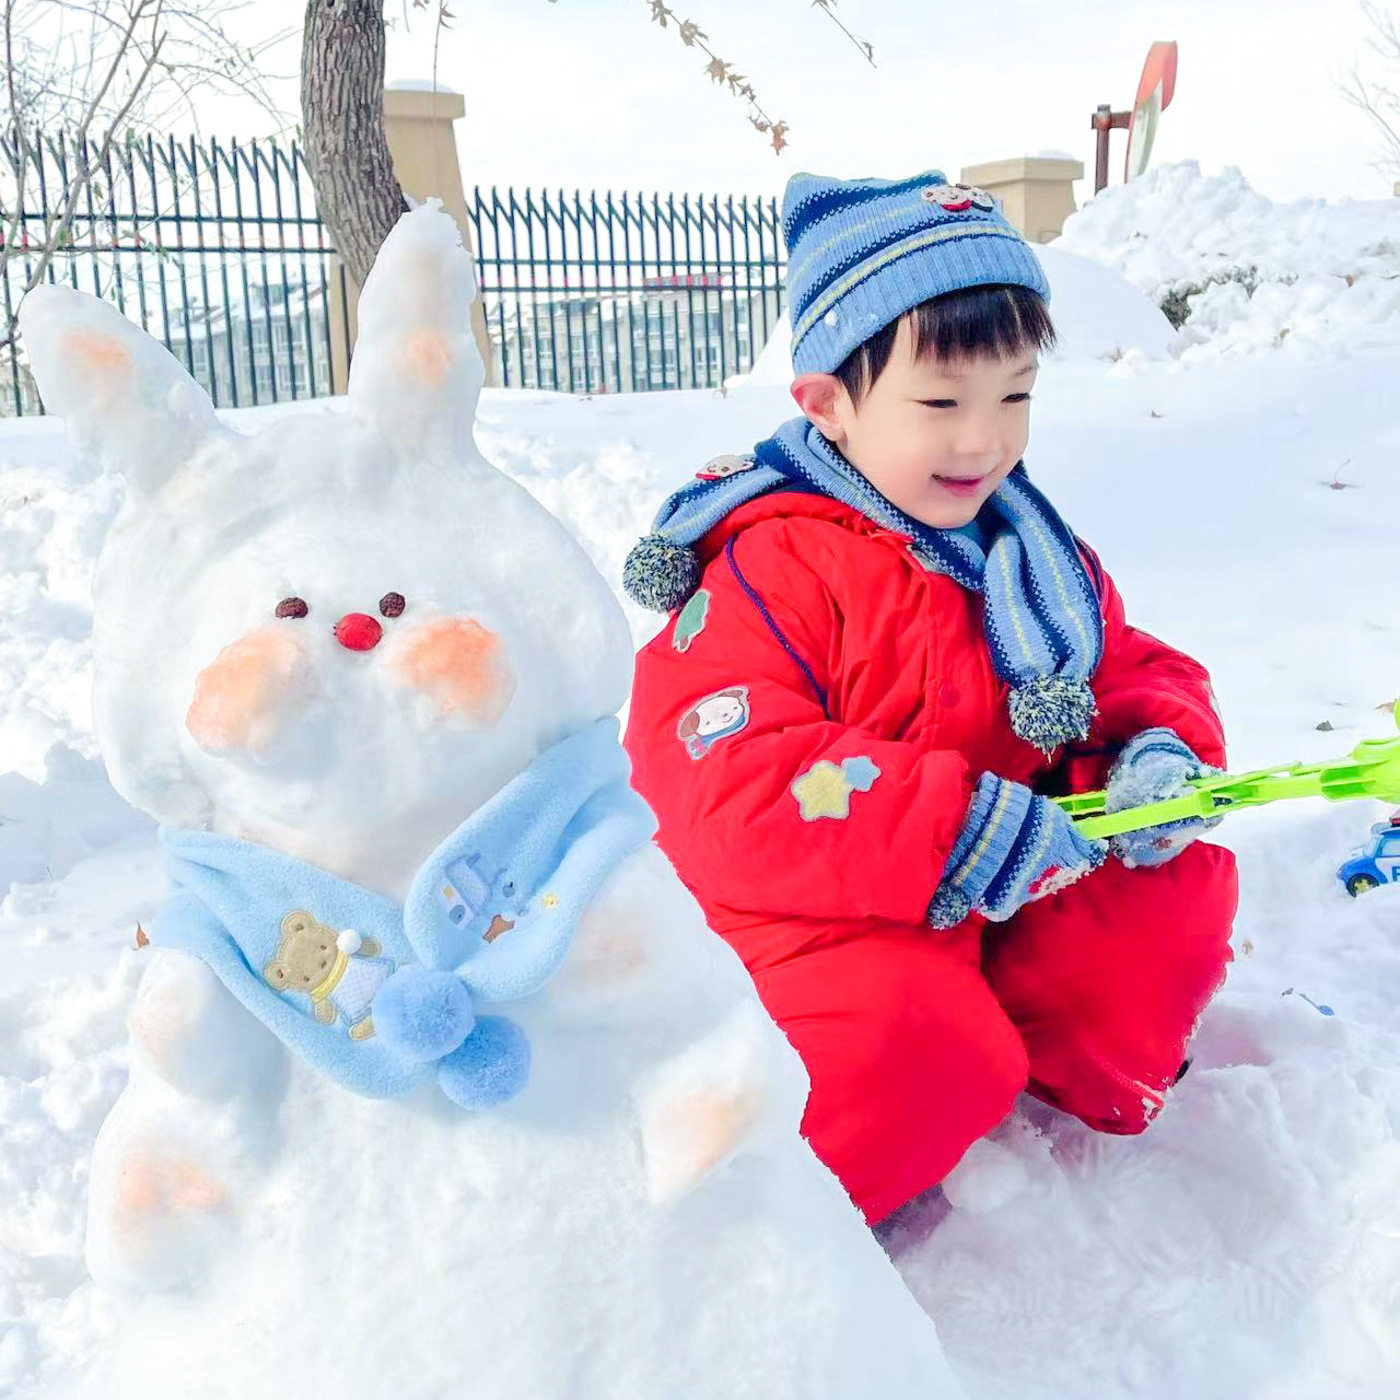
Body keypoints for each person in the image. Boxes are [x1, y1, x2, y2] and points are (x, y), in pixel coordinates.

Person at [620, 170, 1238, 1226]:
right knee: (917, 1047)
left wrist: (1154, 749)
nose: (983, 440)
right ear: (827, 403)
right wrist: (948, 827)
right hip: (815, 904)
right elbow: (715, 781)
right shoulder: (776, 565)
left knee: (1170, 894)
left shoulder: (1025, 551)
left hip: (999, 871)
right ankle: (745, 1233)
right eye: (940, 402)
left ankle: (1079, 1061)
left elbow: (1126, 663)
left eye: (1013, 394)